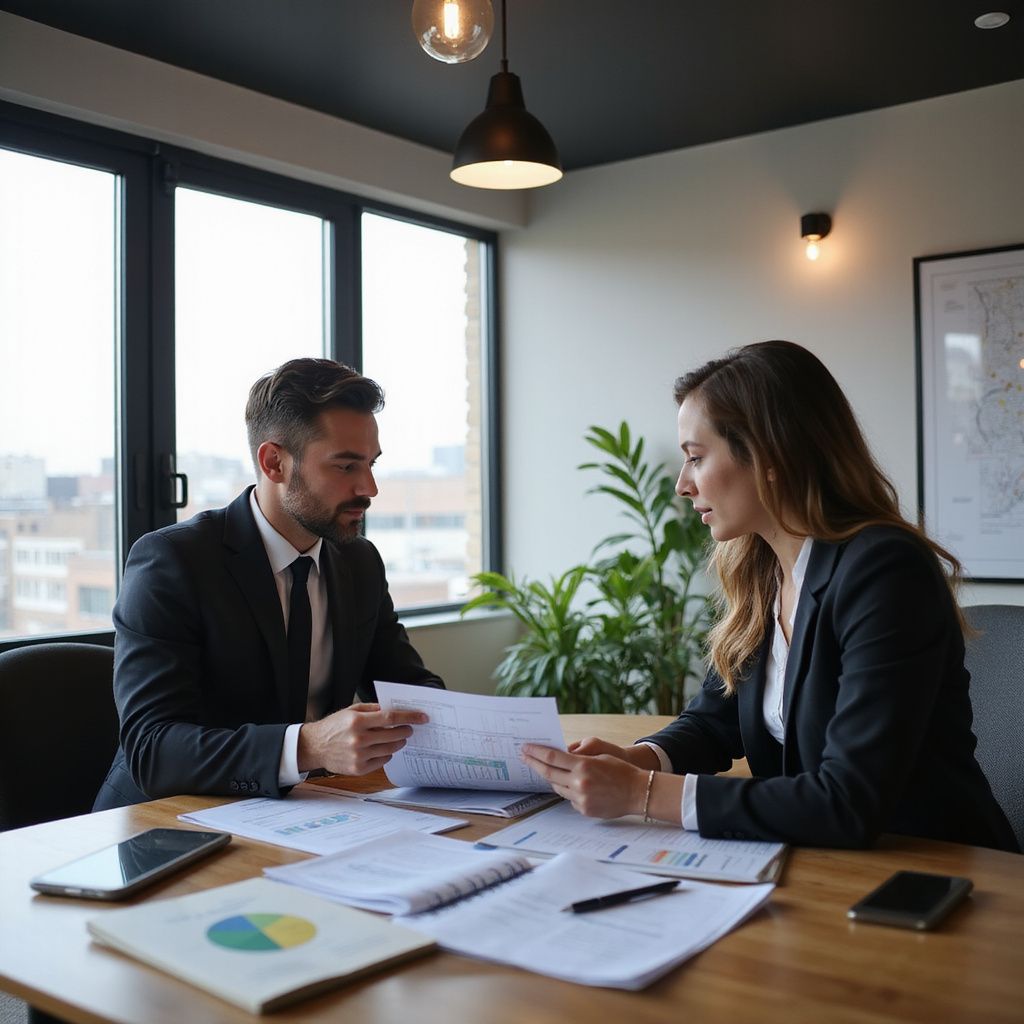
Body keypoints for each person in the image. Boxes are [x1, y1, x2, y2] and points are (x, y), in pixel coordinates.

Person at [523, 340, 1017, 851]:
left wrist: (642, 794)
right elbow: (715, 721)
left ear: (768, 456)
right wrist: (639, 760)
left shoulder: (885, 570)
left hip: (938, 872)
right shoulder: (761, 570)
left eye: (695, 457)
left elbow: (847, 800)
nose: (681, 484)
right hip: (823, 864)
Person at [95, 358, 440, 810]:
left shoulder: (359, 562)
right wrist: (308, 746)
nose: (369, 488)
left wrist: (504, 747)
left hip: (305, 813)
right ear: (274, 462)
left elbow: (409, 691)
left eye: (372, 465)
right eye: (346, 467)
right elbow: (153, 749)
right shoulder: (173, 562)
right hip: (168, 822)